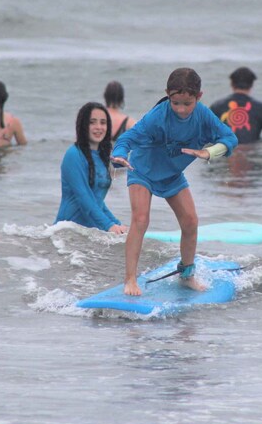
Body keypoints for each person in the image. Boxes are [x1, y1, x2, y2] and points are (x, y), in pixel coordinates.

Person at [111, 68, 238, 295]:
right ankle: (130, 279)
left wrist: (209, 153)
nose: (180, 109)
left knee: (190, 222)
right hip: (143, 170)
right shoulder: (157, 116)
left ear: (199, 97)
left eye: (186, 103)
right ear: (167, 94)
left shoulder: (204, 116)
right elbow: (128, 138)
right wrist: (119, 155)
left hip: (171, 175)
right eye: (175, 102)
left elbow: (230, 138)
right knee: (140, 219)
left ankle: (186, 275)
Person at [54, 102, 127, 234]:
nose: (98, 127)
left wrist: (116, 223)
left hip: (89, 233)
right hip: (67, 233)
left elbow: (97, 201)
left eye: (103, 122)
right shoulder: (73, 155)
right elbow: (84, 197)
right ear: (83, 125)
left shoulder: (102, 157)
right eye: (92, 122)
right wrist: (109, 225)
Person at [209, 67, 262, 144]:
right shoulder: (261, 108)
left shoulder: (217, 106)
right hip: (250, 151)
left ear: (231, 83)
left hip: (227, 151)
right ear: (252, 84)